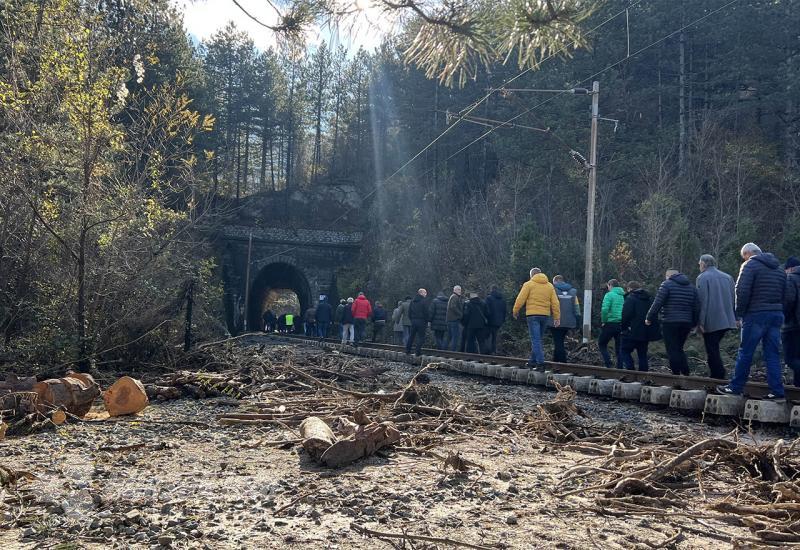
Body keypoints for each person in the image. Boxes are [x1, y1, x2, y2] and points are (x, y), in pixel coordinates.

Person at [718, 243, 787, 399]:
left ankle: (735, 387)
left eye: (744, 256)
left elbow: (741, 290)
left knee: (746, 352)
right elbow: (786, 294)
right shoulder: (779, 269)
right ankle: (777, 392)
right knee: (772, 354)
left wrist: (739, 314)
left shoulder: (750, 265)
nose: (744, 259)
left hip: (755, 314)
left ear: (748, 254)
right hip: (776, 315)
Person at [646, 269, 699, 375]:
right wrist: (694, 323)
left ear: (668, 276)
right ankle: (685, 372)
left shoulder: (666, 285)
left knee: (671, 349)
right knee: (679, 347)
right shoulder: (692, 287)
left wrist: (649, 317)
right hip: (686, 322)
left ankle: (676, 374)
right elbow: (696, 307)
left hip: (670, 321)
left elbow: (658, 303)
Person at [696, 254, 737, 379]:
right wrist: (735, 318)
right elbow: (733, 298)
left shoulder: (702, 277)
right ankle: (718, 373)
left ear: (703, 263)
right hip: (727, 320)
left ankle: (717, 375)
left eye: (699, 263)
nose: (699, 266)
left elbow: (702, 301)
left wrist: (700, 322)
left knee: (711, 349)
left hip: (711, 320)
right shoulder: (727, 277)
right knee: (714, 346)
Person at [512, 268, 560, 370]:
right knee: (538, 340)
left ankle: (540, 363)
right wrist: (557, 317)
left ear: (532, 275)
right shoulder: (550, 286)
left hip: (532, 315)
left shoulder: (529, 284)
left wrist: (515, 311)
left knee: (536, 340)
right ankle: (532, 361)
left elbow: (520, 299)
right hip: (545, 316)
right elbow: (555, 303)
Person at [620, 281, 659, 371]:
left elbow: (626, 315)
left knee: (624, 351)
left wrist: (624, 328)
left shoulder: (630, 298)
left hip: (631, 331)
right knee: (642, 354)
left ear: (629, 288)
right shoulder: (649, 298)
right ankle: (643, 375)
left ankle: (630, 370)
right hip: (645, 331)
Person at [549, 276, 580, 363]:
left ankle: (562, 362)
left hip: (555, 320)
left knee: (558, 341)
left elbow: (549, 305)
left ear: (555, 281)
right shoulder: (573, 291)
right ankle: (556, 361)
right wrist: (578, 321)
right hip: (569, 321)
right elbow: (576, 307)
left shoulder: (553, 290)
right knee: (559, 340)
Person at [599, 279, 625, 368]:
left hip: (610, 323)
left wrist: (604, 321)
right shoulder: (622, 295)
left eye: (608, 286)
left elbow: (605, 309)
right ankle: (620, 367)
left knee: (602, 343)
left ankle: (608, 364)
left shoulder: (609, 295)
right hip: (620, 324)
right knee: (619, 347)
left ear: (610, 285)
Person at [782, 256, 800, 387]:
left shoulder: (791, 278)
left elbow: (788, 301)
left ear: (790, 268)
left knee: (790, 358)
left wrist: (784, 318)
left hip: (793, 325)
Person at [405, 289, 430, 356]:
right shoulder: (424, 301)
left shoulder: (412, 301)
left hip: (413, 321)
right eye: (425, 292)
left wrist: (412, 319)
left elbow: (409, 312)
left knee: (411, 336)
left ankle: (407, 350)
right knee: (421, 337)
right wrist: (427, 320)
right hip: (422, 321)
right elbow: (426, 312)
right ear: (421, 293)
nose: (426, 294)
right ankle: (417, 351)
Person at [484, 286, 507, 355]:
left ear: (491, 290)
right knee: (494, 336)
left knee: (486, 336)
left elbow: (486, 310)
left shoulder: (489, 298)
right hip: (499, 322)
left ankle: (487, 351)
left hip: (490, 321)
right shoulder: (502, 299)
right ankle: (493, 350)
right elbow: (504, 311)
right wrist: (502, 320)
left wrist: (486, 318)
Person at [446, 286, 464, 351]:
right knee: (455, 336)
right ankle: (453, 352)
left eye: (460, 289)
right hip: (454, 320)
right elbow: (453, 307)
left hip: (450, 320)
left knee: (449, 337)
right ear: (455, 290)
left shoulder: (452, 296)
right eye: (458, 289)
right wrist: (460, 314)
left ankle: (444, 350)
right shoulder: (455, 297)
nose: (460, 291)